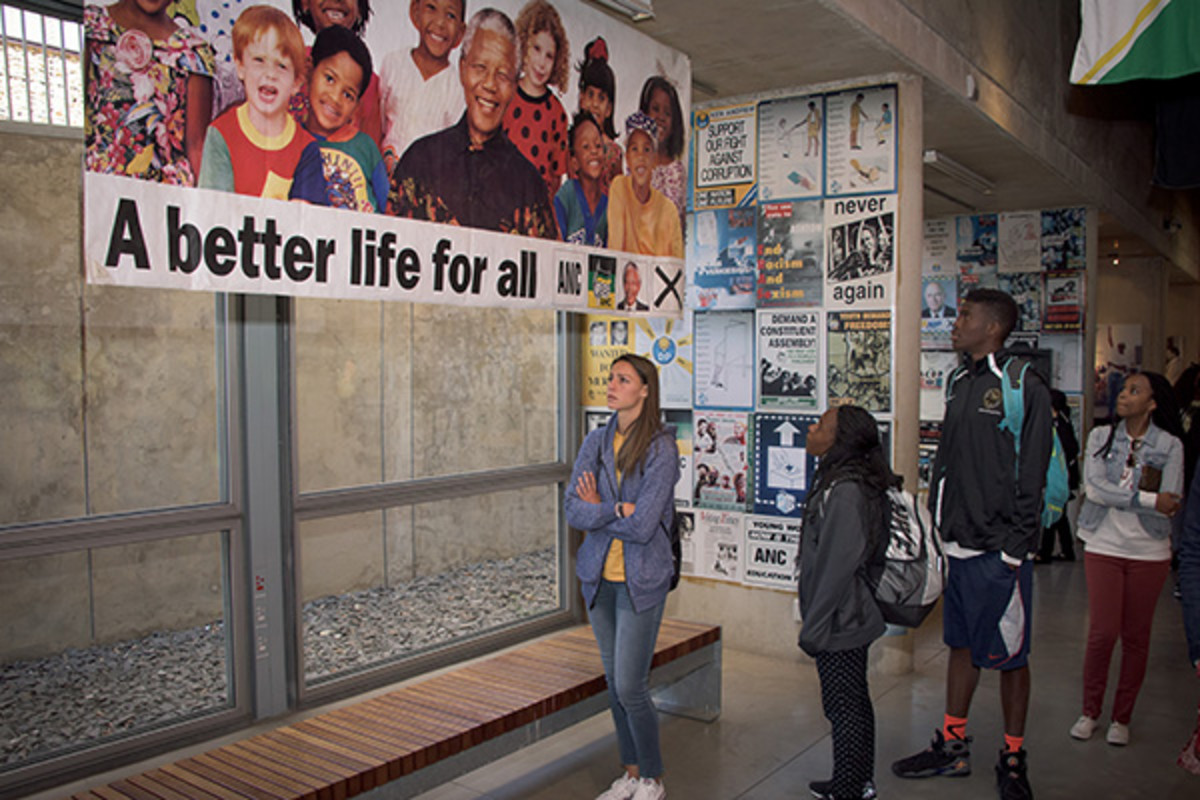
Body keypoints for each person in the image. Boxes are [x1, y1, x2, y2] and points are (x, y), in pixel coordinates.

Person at [892, 288, 1051, 800]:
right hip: (955, 547)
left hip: (999, 553)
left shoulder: (1024, 385)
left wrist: (1013, 550)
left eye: (965, 316)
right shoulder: (960, 380)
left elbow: (1032, 474)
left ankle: (1012, 756)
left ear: (994, 327)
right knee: (960, 646)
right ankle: (953, 746)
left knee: (1009, 657)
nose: (955, 322)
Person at [564, 354, 679, 800]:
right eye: (611, 378)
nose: (611, 385)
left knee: (632, 685)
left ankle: (651, 777)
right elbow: (573, 510)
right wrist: (612, 509)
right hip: (598, 579)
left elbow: (645, 524)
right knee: (615, 685)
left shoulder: (662, 449)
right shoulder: (595, 441)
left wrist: (599, 512)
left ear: (645, 390)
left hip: (641, 580)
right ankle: (630, 774)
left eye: (623, 379)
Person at [1068, 371, 1184, 746]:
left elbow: (1173, 498)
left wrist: (1147, 501)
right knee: (1102, 634)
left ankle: (1122, 717)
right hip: (1103, 545)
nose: (1123, 395)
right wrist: (1146, 500)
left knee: (1136, 637)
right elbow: (1095, 490)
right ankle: (1089, 711)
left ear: (1152, 403)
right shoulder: (1101, 437)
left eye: (1135, 391)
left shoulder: (1170, 446)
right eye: (1124, 389)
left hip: (1149, 551)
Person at [388, 8, 556, 238]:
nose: (489, 84)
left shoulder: (529, 185)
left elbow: (544, 268)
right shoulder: (420, 160)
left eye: (503, 75)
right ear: (463, 69)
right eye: (480, 68)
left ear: (515, 87)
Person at [799, 405, 891, 800]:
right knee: (852, 702)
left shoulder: (847, 491)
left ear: (840, 439)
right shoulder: (842, 482)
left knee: (844, 707)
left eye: (821, 424)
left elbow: (836, 568)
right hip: (845, 615)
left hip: (843, 620)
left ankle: (850, 787)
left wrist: (814, 628)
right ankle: (855, 780)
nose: (811, 427)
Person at [84, 0, 215, 186]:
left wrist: (205, 206)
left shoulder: (194, 52)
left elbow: (197, 145)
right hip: (99, 184)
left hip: (165, 192)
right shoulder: (92, 26)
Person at [198, 5, 315, 198]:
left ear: (296, 83)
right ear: (241, 66)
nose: (270, 74)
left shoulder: (306, 149)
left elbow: (308, 219)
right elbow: (213, 210)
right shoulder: (220, 134)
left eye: (282, 66)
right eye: (259, 60)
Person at [289, 26, 388, 211]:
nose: (335, 99)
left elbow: (390, 208)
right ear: (309, 70)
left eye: (348, 95)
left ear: (356, 108)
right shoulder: (290, 140)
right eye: (329, 79)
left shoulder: (365, 148)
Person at [378, 0, 466, 172]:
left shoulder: (458, 88)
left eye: (450, 15)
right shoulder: (393, 64)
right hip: (385, 175)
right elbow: (379, 125)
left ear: (460, 33)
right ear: (415, 12)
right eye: (431, 8)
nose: (440, 23)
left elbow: (453, 151)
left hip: (428, 183)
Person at [291, 0, 383, 151]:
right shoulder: (289, 61)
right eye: (329, 78)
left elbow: (366, 161)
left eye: (348, 94)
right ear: (305, 3)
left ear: (360, 8)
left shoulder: (371, 87)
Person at [502, 0, 570, 199]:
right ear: (523, 46)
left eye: (549, 56)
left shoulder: (557, 113)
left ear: (557, 61)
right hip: (501, 200)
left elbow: (556, 176)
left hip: (536, 209)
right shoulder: (506, 94)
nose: (541, 63)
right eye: (536, 49)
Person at [608, 112, 684, 258]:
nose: (640, 157)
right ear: (627, 157)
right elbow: (615, 250)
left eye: (647, 149)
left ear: (655, 159)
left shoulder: (669, 210)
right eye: (634, 149)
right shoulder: (619, 187)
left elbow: (675, 263)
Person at [571, 37, 623, 192]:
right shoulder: (571, 144)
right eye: (590, 95)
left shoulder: (614, 152)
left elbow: (619, 196)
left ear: (609, 109)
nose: (594, 104)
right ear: (581, 99)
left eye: (601, 98)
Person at [1036, 390, 1081, 563]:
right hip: (1061, 476)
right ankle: (1066, 550)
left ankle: (1046, 552)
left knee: (1052, 511)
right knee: (1059, 515)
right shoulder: (1061, 421)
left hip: (1060, 477)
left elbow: (1068, 450)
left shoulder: (1059, 425)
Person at [555, 111, 609, 245]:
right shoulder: (567, 195)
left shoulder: (609, 207)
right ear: (574, 162)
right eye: (586, 147)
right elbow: (556, 241)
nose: (594, 151)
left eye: (598, 146)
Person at [638, 76, 686, 226]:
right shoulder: (632, 164)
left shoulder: (677, 171)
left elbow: (681, 222)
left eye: (667, 113)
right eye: (655, 109)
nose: (661, 117)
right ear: (645, 113)